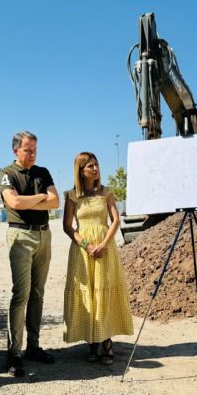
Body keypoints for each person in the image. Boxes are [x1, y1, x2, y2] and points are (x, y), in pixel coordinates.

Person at [0, 131, 59, 377]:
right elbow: (13, 203)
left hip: (44, 235)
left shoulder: (43, 172)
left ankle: (33, 346)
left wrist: (31, 200)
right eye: (27, 150)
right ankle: (14, 354)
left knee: (38, 293)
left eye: (34, 149)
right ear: (16, 150)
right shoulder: (7, 173)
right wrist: (42, 197)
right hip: (20, 236)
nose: (32, 153)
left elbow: (55, 203)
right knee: (20, 294)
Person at [62, 152, 133, 364]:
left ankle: (107, 343)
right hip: (82, 251)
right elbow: (67, 226)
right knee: (88, 293)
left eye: (96, 165)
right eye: (90, 166)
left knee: (104, 291)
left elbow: (115, 220)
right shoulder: (72, 196)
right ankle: (91, 342)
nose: (95, 169)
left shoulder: (107, 192)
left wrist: (103, 244)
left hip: (105, 249)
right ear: (81, 171)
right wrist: (87, 245)